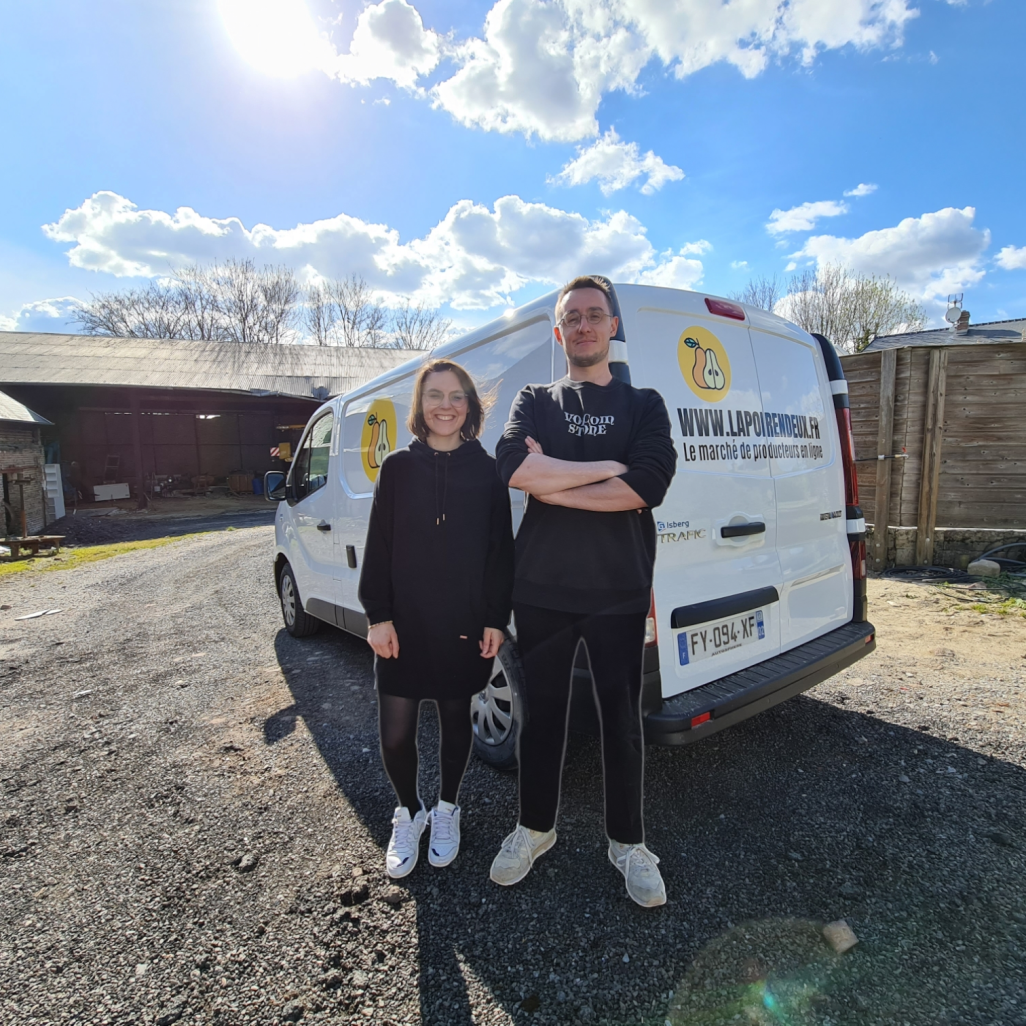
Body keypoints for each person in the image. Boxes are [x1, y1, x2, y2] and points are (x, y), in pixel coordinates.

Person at [490, 276, 677, 907]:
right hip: (539, 588)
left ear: (614, 325)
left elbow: (647, 485)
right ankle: (534, 829)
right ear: (559, 332)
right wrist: (605, 467)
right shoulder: (535, 399)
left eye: (596, 315)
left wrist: (551, 484)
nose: (585, 326)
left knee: (620, 721)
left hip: (619, 589)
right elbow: (510, 466)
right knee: (541, 719)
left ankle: (627, 842)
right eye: (573, 318)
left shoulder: (645, 403)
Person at [359, 359, 514, 879]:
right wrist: (378, 615)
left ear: (469, 405)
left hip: (463, 622)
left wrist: (496, 616)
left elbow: (500, 551)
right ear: (419, 406)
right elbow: (379, 545)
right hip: (404, 624)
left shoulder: (490, 470)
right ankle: (410, 812)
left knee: (455, 724)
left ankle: (448, 808)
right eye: (434, 395)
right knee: (396, 736)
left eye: (455, 396)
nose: (445, 406)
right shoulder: (397, 468)